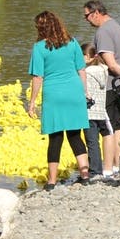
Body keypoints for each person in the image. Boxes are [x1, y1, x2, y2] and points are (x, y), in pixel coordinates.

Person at [27, 11, 92, 190]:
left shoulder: (40, 47)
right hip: (74, 92)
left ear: (40, 28)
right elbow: (82, 70)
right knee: (75, 136)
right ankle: (85, 175)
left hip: (54, 94)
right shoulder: (72, 43)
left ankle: (51, 181)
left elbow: (38, 77)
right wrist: (84, 91)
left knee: (55, 138)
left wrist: (32, 102)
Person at [83, 1, 120, 181]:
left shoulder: (103, 31)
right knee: (117, 126)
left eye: (87, 15)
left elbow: (110, 62)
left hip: (109, 86)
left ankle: (108, 169)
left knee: (108, 128)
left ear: (96, 13)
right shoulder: (117, 26)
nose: (86, 20)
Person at [82, 43, 110, 170]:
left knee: (92, 142)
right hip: (101, 111)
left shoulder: (86, 73)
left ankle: (95, 169)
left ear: (88, 56)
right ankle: (105, 167)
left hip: (89, 112)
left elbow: (84, 91)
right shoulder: (104, 70)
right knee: (102, 138)